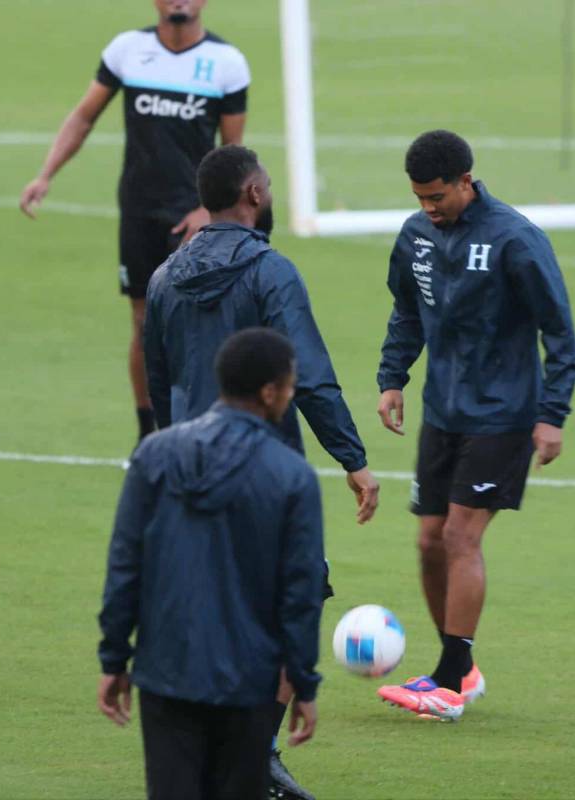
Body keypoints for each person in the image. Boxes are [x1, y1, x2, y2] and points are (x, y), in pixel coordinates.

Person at [144, 144, 376, 800]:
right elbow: (311, 374)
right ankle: (257, 756)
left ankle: (228, 757)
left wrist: (172, 452)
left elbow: (158, 381)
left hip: (188, 469)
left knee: (207, 605)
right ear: (251, 193)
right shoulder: (271, 273)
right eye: (268, 184)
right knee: (290, 602)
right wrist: (352, 460)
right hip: (264, 474)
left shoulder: (164, 278)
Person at [374, 130, 575, 720]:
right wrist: (393, 377)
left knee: (461, 537)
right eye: (419, 198)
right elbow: (407, 308)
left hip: (503, 414)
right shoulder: (416, 235)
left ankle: (447, 680)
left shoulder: (516, 239)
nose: (429, 208)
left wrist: (551, 415)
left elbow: (559, 333)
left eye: (437, 196)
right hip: (443, 411)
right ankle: (458, 663)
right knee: (427, 541)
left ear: (467, 180)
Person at [98, 328, 323, 800]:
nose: (291, 392)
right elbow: (300, 592)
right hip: (250, 681)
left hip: (167, 671)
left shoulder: (155, 455)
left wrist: (115, 656)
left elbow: (125, 564)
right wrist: (302, 681)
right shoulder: (292, 477)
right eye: (289, 383)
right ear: (268, 391)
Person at [20, 0, 249, 444]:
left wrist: (209, 209)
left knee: (198, 325)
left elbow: (230, 154)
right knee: (144, 323)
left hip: (193, 219)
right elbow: (84, 117)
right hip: (140, 211)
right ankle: (150, 435)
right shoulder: (128, 49)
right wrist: (46, 174)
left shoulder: (226, 63)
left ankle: (204, 425)